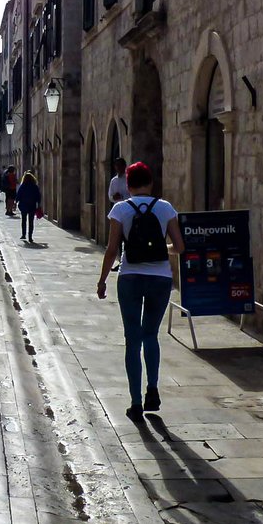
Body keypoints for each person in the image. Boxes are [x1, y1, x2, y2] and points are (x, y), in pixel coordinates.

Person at [96, 161, 184, 420]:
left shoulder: (120, 209)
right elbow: (179, 247)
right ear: (151, 183)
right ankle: (153, 390)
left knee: (132, 339)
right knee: (151, 335)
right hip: (160, 279)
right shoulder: (166, 208)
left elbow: (112, 250)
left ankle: (135, 402)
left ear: (128, 184)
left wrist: (102, 280)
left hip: (130, 277)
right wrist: (159, 250)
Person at [15, 171, 42, 241]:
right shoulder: (35, 186)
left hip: (23, 205)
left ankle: (23, 235)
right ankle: (30, 236)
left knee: (24, 220)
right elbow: (38, 196)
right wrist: (39, 204)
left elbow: (18, 195)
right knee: (31, 221)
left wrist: (16, 202)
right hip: (32, 205)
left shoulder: (22, 186)